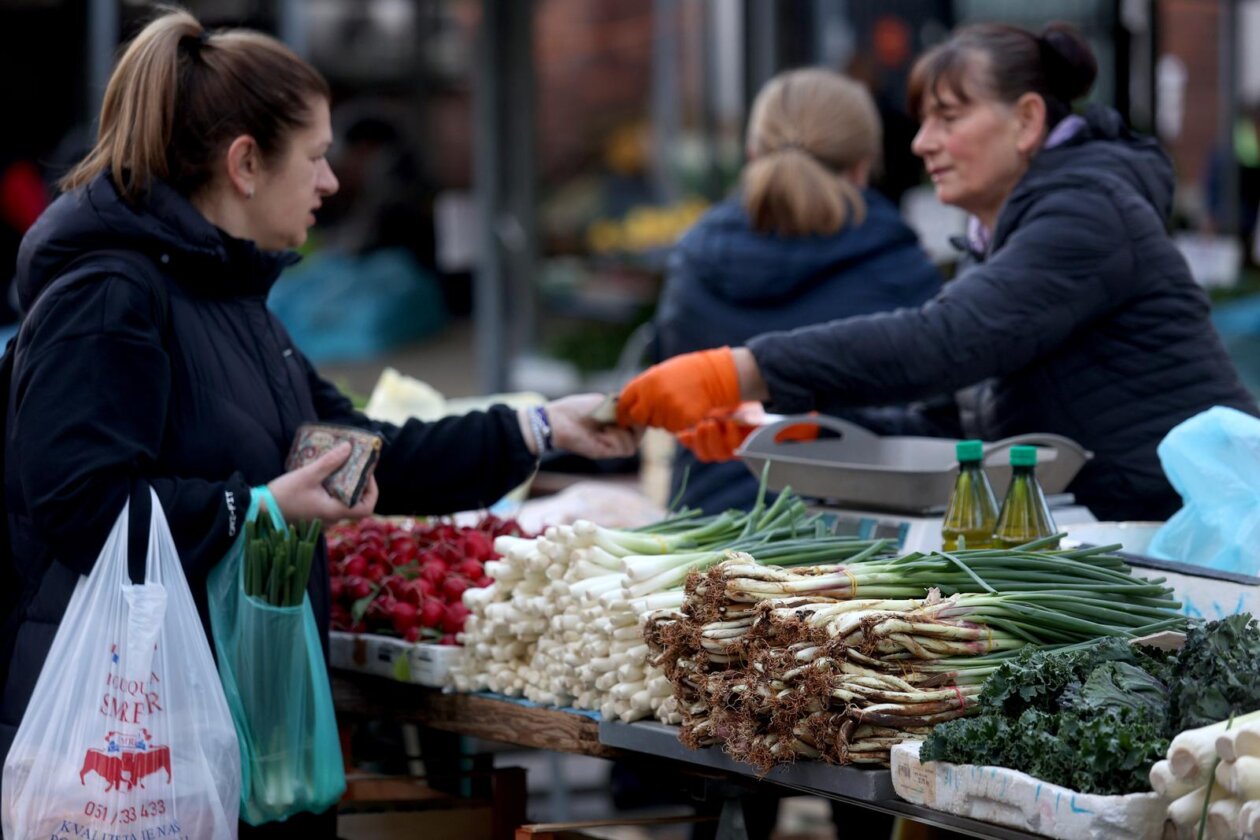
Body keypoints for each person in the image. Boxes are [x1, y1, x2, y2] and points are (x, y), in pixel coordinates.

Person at [0, 10, 634, 839]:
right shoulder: (109, 300)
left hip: (224, 737)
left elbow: (367, 454)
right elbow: (83, 509)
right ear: (246, 163)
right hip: (132, 753)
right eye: (317, 155)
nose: (333, 181)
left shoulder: (238, 308)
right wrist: (257, 508)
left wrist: (543, 429)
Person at [617, 21, 1258, 523]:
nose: (922, 143)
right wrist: (791, 432)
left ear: (1028, 120)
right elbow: (959, 424)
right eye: (924, 121)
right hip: (1131, 532)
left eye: (948, 119)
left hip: (1194, 538)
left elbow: (945, 342)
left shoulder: (1087, 215)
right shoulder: (1006, 235)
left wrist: (741, 369)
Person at [654, 67, 940, 514]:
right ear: (864, 166)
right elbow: (933, 418)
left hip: (703, 529)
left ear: (751, 153)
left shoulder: (693, 259)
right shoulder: (899, 266)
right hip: (851, 545)